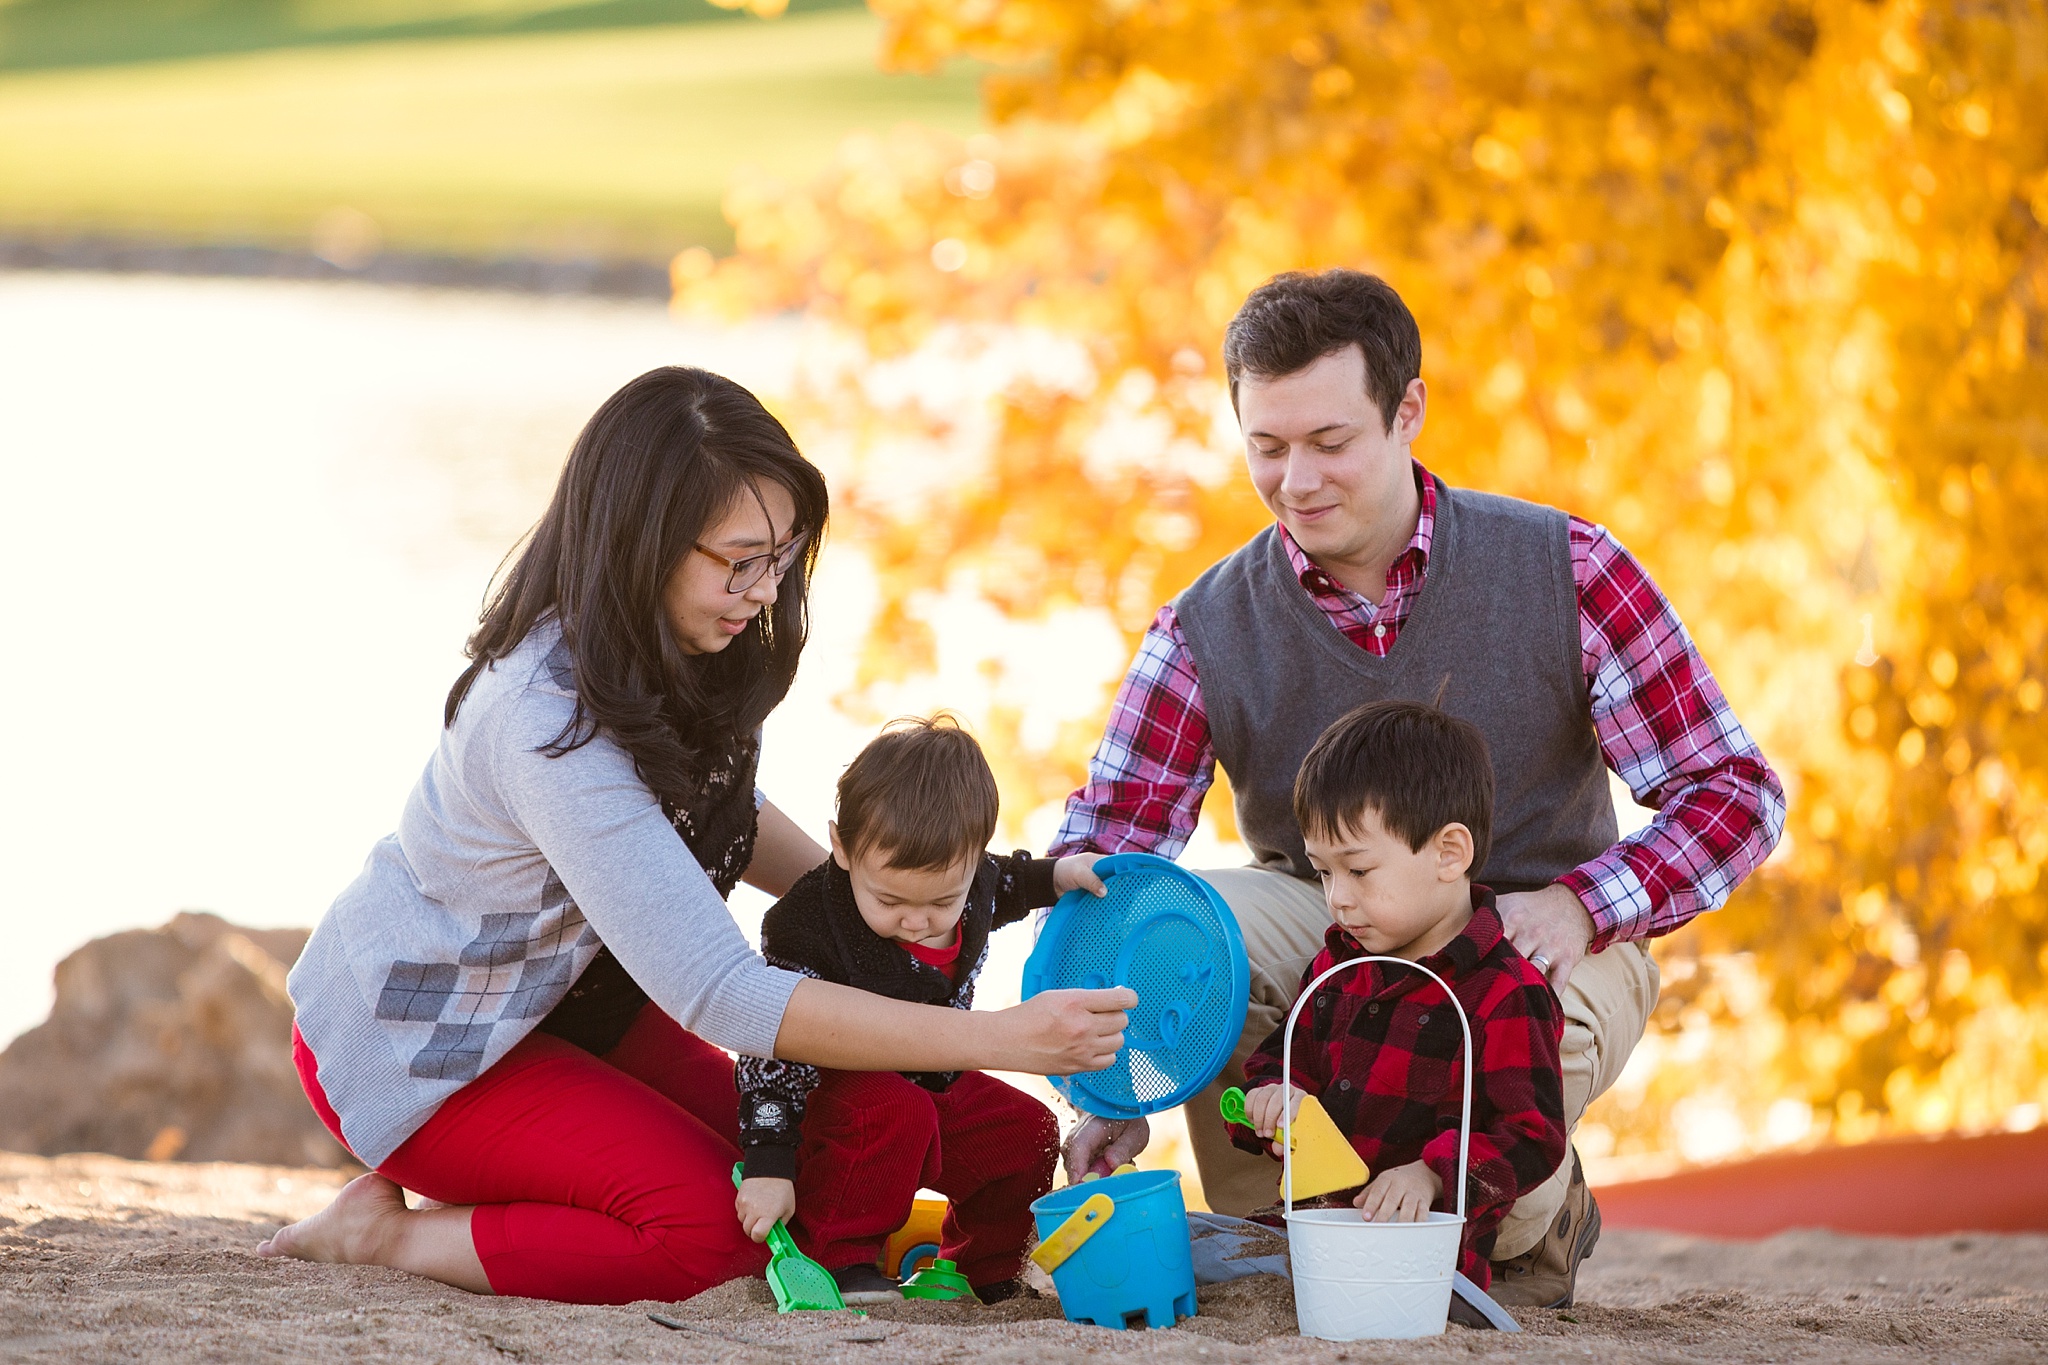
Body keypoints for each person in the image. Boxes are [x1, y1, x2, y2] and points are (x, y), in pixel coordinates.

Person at [258, 367, 1135, 1306]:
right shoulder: (541, 721)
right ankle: (384, 1231)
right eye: (739, 559)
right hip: (431, 1041)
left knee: (806, 1166)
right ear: (643, 544)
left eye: (782, 558)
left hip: (578, 1007)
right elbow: (722, 992)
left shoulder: (693, 645)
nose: (763, 590)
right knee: (717, 1240)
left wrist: (880, 900)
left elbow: (727, 817)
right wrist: (998, 1037)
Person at [1056, 269, 1785, 1307]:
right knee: (1197, 933)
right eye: (1265, 447)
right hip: (1332, 911)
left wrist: (1582, 905)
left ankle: (1532, 1216)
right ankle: (1299, 1238)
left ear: (1407, 412)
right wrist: (1113, 1074)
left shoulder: (1564, 568)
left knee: (1495, 1117)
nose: (1294, 480)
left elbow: (1732, 791)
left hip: (1546, 926)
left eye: (1328, 442)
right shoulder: (1203, 628)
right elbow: (1107, 861)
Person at [731, 716, 1104, 1304]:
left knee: (1025, 1130)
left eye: (941, 902)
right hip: (836, 1094)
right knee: (896, 1112)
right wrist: (768, 1162)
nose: (915, 921)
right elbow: (768, 1047)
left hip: (933, 1083)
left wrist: (1058, 876)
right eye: (889, 899)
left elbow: (1006, 883)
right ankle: (842, 1258)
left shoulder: (975, 882)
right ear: (843, 847)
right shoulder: (805, 925)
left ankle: (986, 1267)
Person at [1228, 700, 1566, 1290]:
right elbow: (1280, 1061)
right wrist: (1274, 1097)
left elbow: (1533, 1137)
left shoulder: (1505, 990)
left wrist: (1433, 1175)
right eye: (1323, 872)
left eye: (1358, 871)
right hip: (1318, 1230)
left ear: (1449, 853)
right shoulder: (1339, 963)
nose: (1336, 898)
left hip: (1425, 1258)